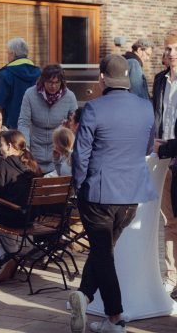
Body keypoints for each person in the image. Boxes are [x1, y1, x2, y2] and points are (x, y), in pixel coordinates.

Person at [69, 54, 156, 333]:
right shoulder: (146, 107)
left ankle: (115, 318)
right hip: (131, 196)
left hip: (98, 193)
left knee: (103, 254)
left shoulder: (94, 108)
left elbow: (80, 154)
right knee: (104, 252)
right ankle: (84, 296)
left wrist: (79, 185)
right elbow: (146, 148)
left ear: (102, 78)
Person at [0, 130, 42, 284]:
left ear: (10, 146)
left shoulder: (6, 163)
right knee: (2, 221)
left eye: (2, 145)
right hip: (30, 217)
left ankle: (3, 258)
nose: (0, 148)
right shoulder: (32, 163)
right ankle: (13, 260)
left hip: (12, 215)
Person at [18, 64, 78, 173]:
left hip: (58, 153)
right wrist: (25, 148)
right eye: (50, 82)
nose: (53, 86)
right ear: (43, 81)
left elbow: (75, 125)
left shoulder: (69, 97)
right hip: (34, 153)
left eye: (57, 83)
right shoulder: (30, 94)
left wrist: (67, 148)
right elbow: (23, 123)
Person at [152, 31, 177, 295]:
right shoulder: (160, 80)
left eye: (175, 48)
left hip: (174, 151)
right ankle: (172, 277)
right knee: (169, 222)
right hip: (163, 159)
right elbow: (155, 116)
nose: (171, 53)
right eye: (168, 49)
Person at [0, 37, 41, 128]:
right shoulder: (40, 74)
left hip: (11, 128)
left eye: (7, 53)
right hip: (37, 126)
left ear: (12, 54)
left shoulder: (4, 75)